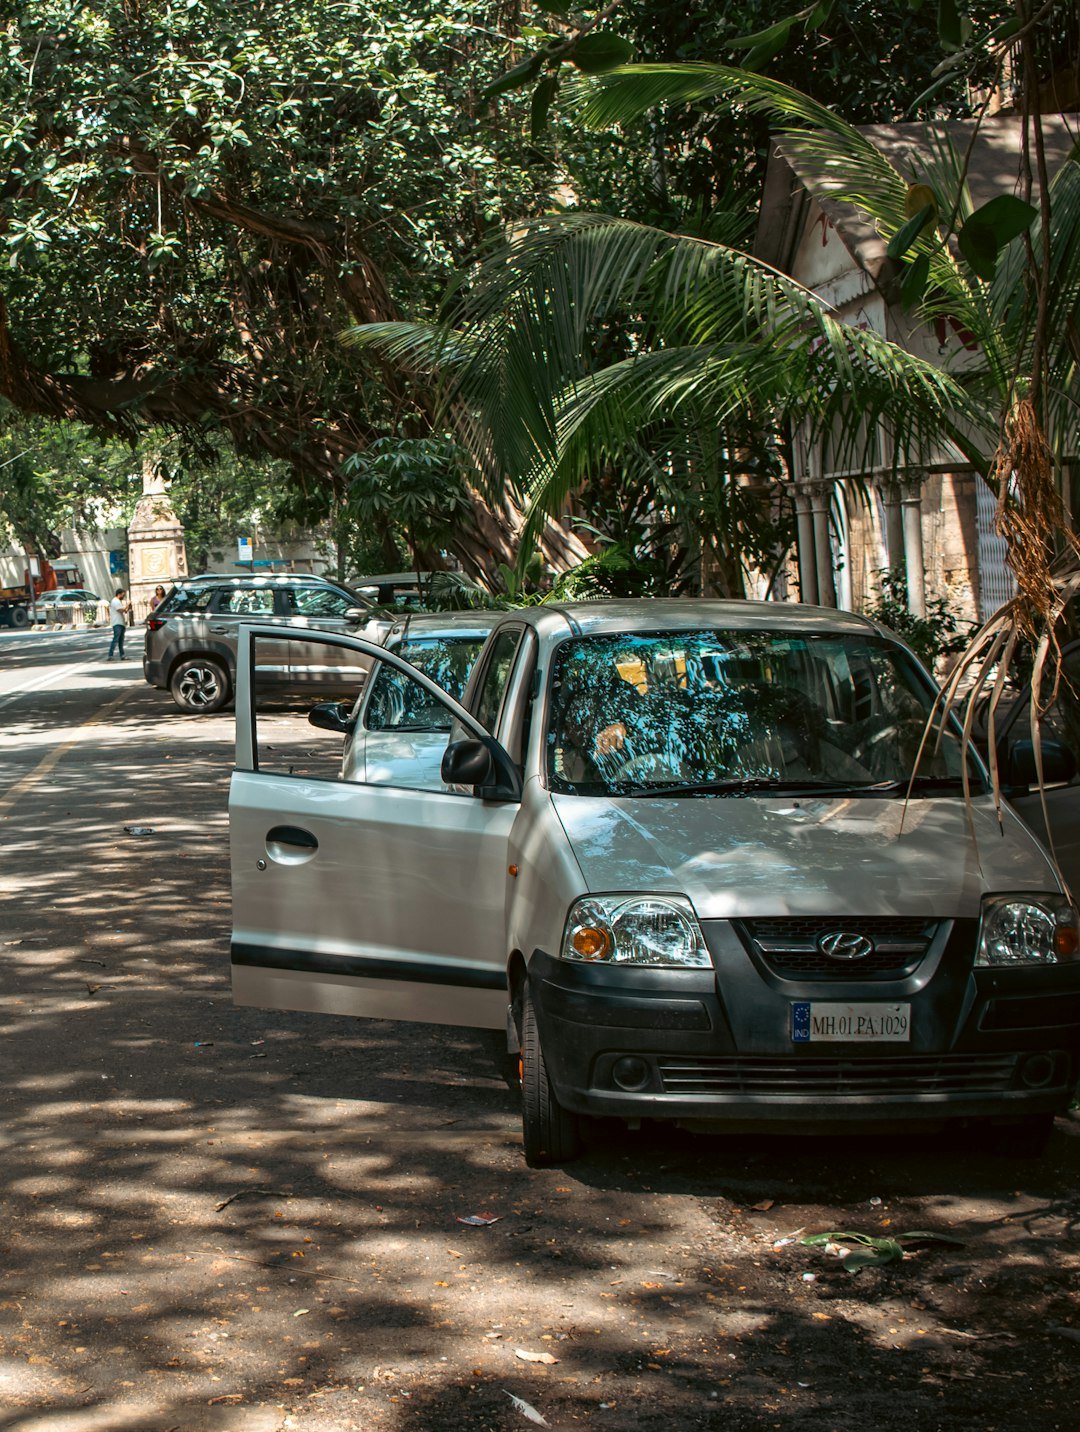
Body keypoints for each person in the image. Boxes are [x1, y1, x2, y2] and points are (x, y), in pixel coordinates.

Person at [106, 588, 131, 661]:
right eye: (123, 595)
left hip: (121, 622)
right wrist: (127, 605)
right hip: (117, 623)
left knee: (121, 640)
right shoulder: (115, 601)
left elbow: (125, 611)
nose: (123, 596)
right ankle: (110, 655)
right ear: (119, 594)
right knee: (116, 639)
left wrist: (128, 606)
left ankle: (122, 655)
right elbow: (121, 610)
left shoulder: (118, 601)